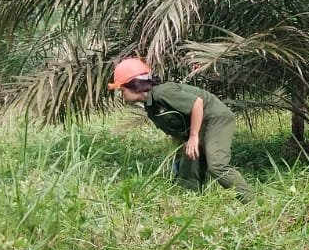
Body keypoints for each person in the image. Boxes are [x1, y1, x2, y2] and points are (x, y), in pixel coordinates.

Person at [109, 57, 255, 202]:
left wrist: (194, 136)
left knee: (217, 165)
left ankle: (251, 201)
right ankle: (192, 202)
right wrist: (180, 155)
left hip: (215, 118)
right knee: (188, 167)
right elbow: (175, 129)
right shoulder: (151, 105)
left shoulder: (162, 92)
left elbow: (197, 104)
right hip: (199, 123)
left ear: (134, 85)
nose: (122, 95)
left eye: (122, 90)